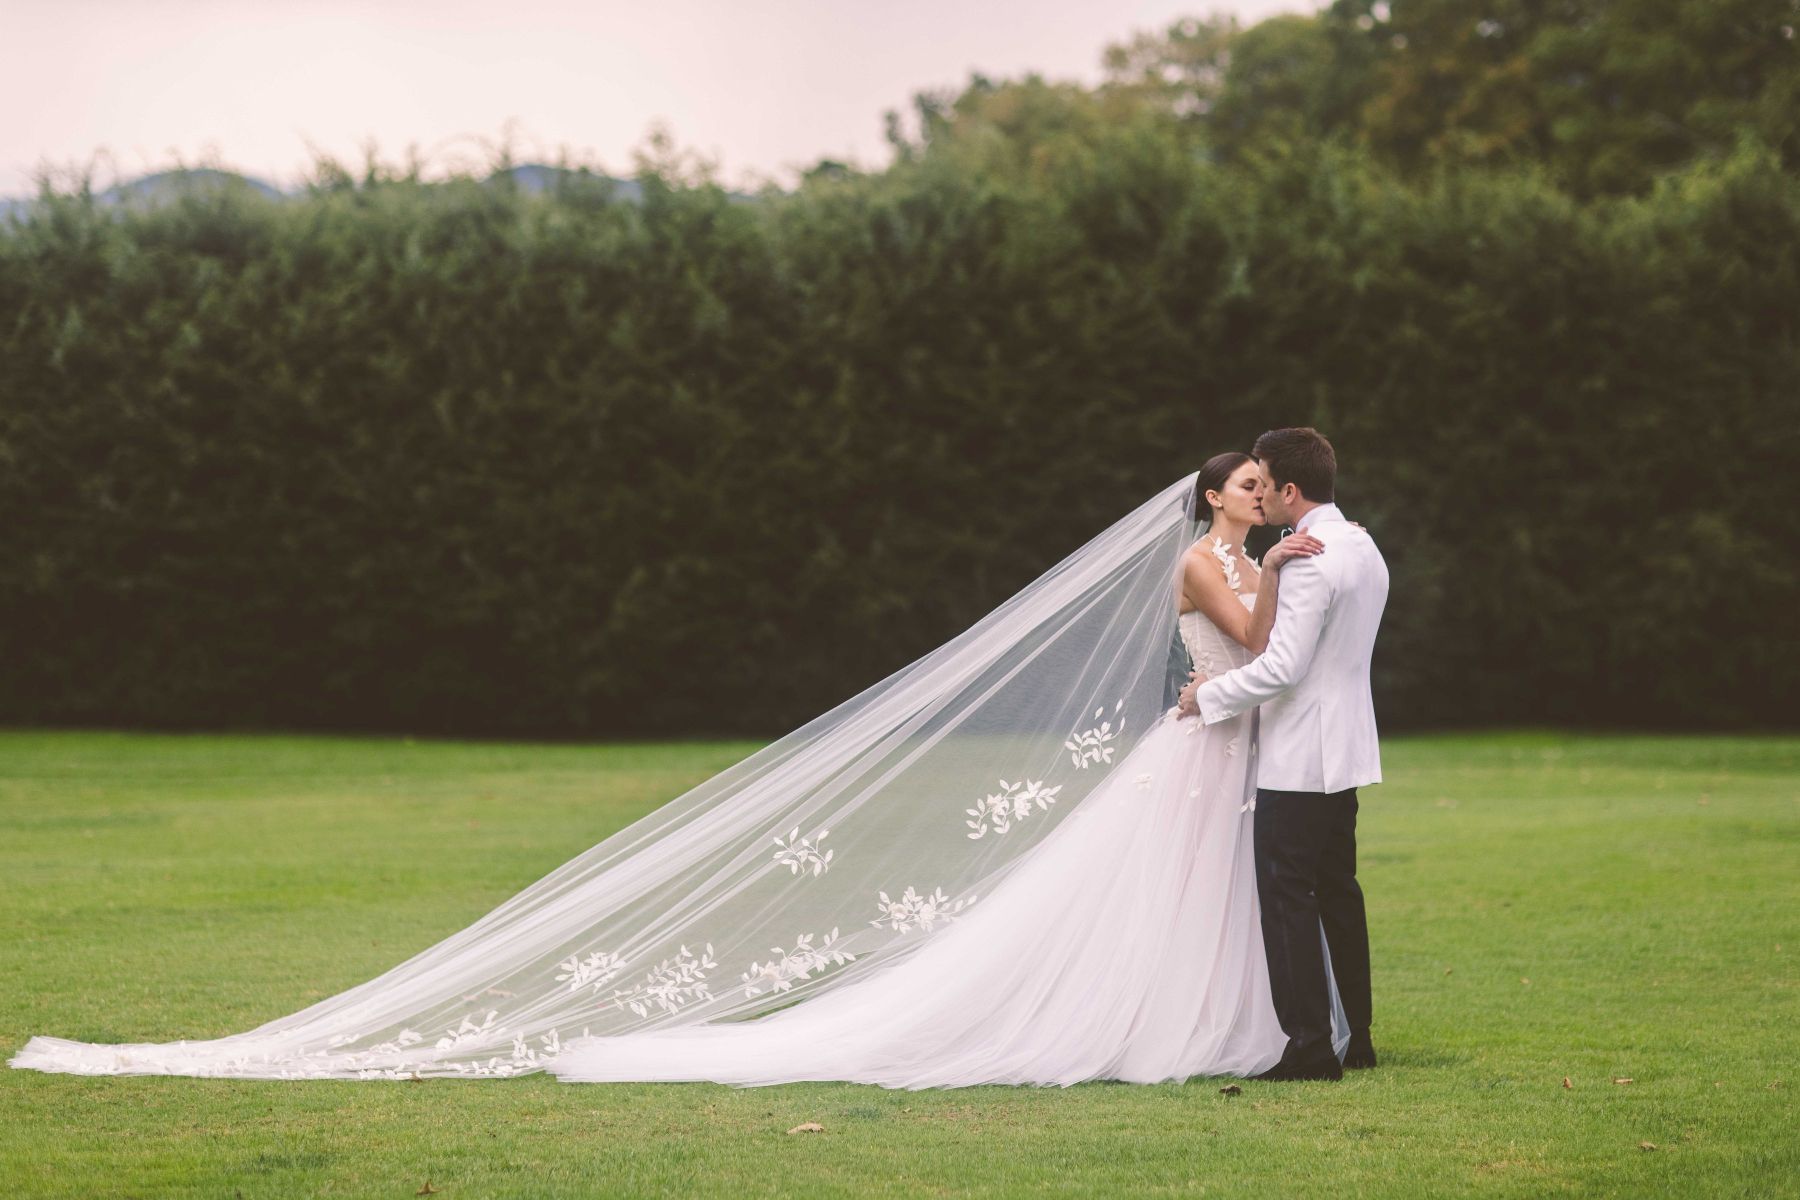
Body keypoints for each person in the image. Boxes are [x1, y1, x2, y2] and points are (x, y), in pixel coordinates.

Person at [10, 461, 1346, 1085]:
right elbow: (1239, 637)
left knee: (1222, 892)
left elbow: (1254, 641)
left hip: (1224, 738)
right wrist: (1280, 574)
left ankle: (1250, 1024)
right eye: (1241, 486)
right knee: (1171, 885)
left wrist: (1280, 577)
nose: (1253, 494)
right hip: (1205, 736)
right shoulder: (1207, 564)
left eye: (1260, 488)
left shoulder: (1251, 554)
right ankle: (1200, 1027)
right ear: (1213, 504)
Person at [1179, 427, 1389, 1083]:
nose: (1261, 493)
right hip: (1347, 750)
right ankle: (1358, 1038)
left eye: (1265, 482)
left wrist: (1207, 697)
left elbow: (1282, 670)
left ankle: (1308, 1048)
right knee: (1337, 892)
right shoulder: (1362, 543)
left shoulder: (1307, 558)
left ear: (1289, 490)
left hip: (1298, 755)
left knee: (1287, 897)